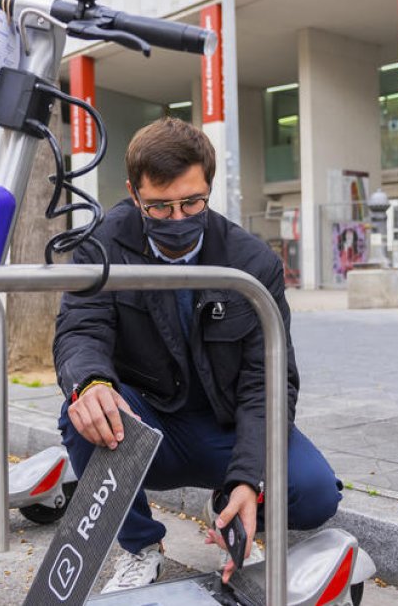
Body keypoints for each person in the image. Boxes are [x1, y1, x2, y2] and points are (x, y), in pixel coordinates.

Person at [54, 117, 341, 594]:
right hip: (145, 422)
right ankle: (140, 546)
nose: (178, 217)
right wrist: (90, 384)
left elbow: (267, 381)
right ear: (133, 192)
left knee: (313, 492)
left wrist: (247, 479)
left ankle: (232, 508)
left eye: (192, 202)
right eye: (160, 207)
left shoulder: (252, 263)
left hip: (223, 426)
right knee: (83, 410)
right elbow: (81, 330)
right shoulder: (99, 246)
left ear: (209, 186)